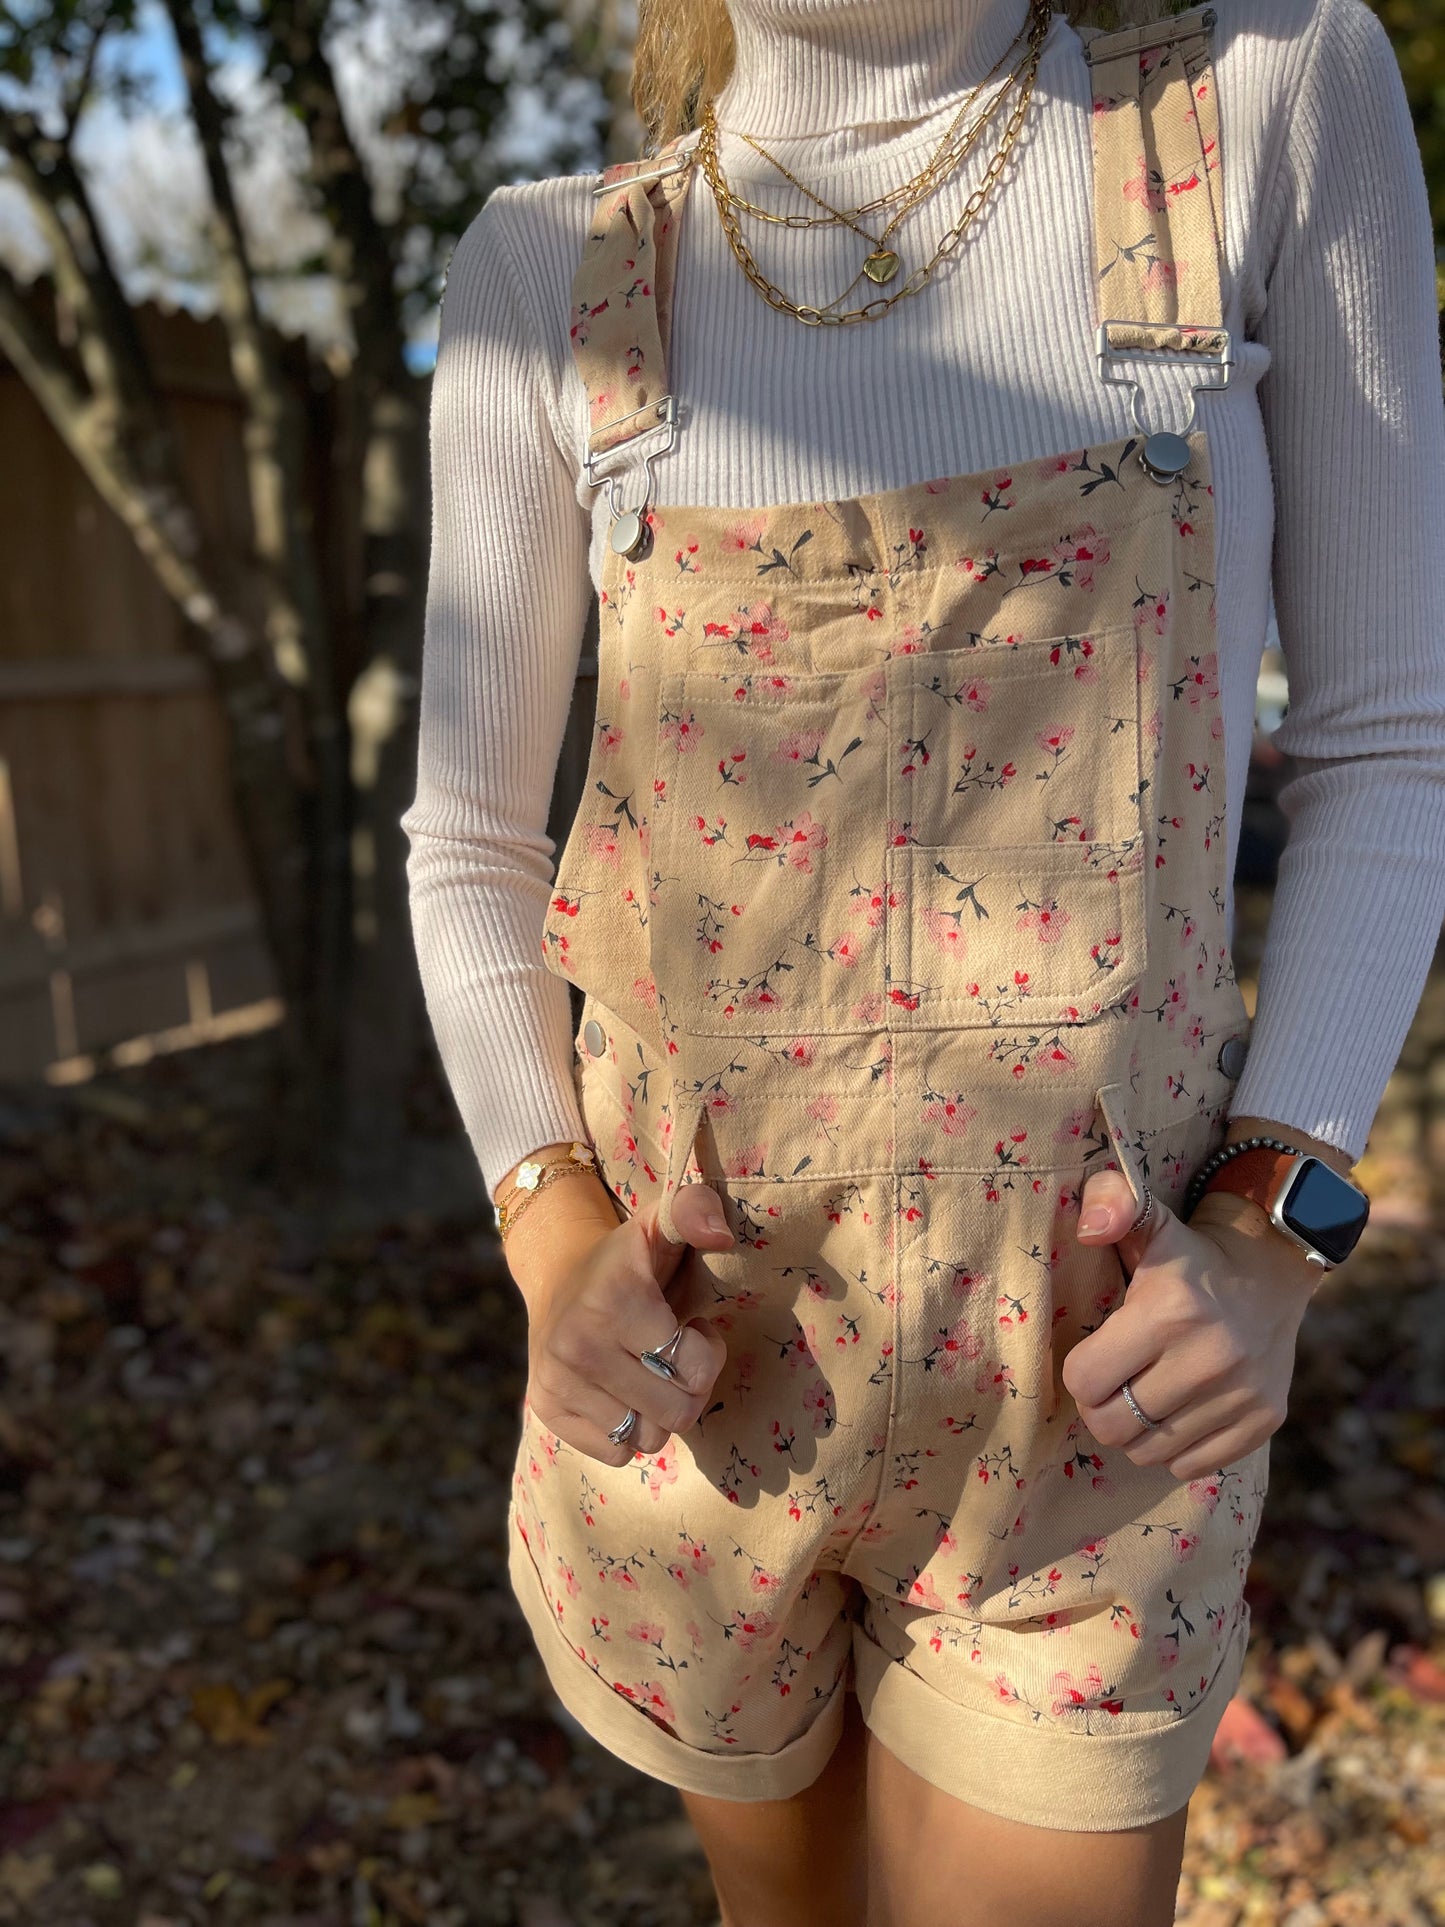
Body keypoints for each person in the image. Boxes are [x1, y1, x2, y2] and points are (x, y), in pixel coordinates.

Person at [400, 0, 1445, 1919]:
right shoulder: (549, 270)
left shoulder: (1261, 108)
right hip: (696, 1402)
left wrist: (1269, 1228)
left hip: (1098, 1421)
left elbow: (1389, 745)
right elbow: (466, 845)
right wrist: (549, 1236)